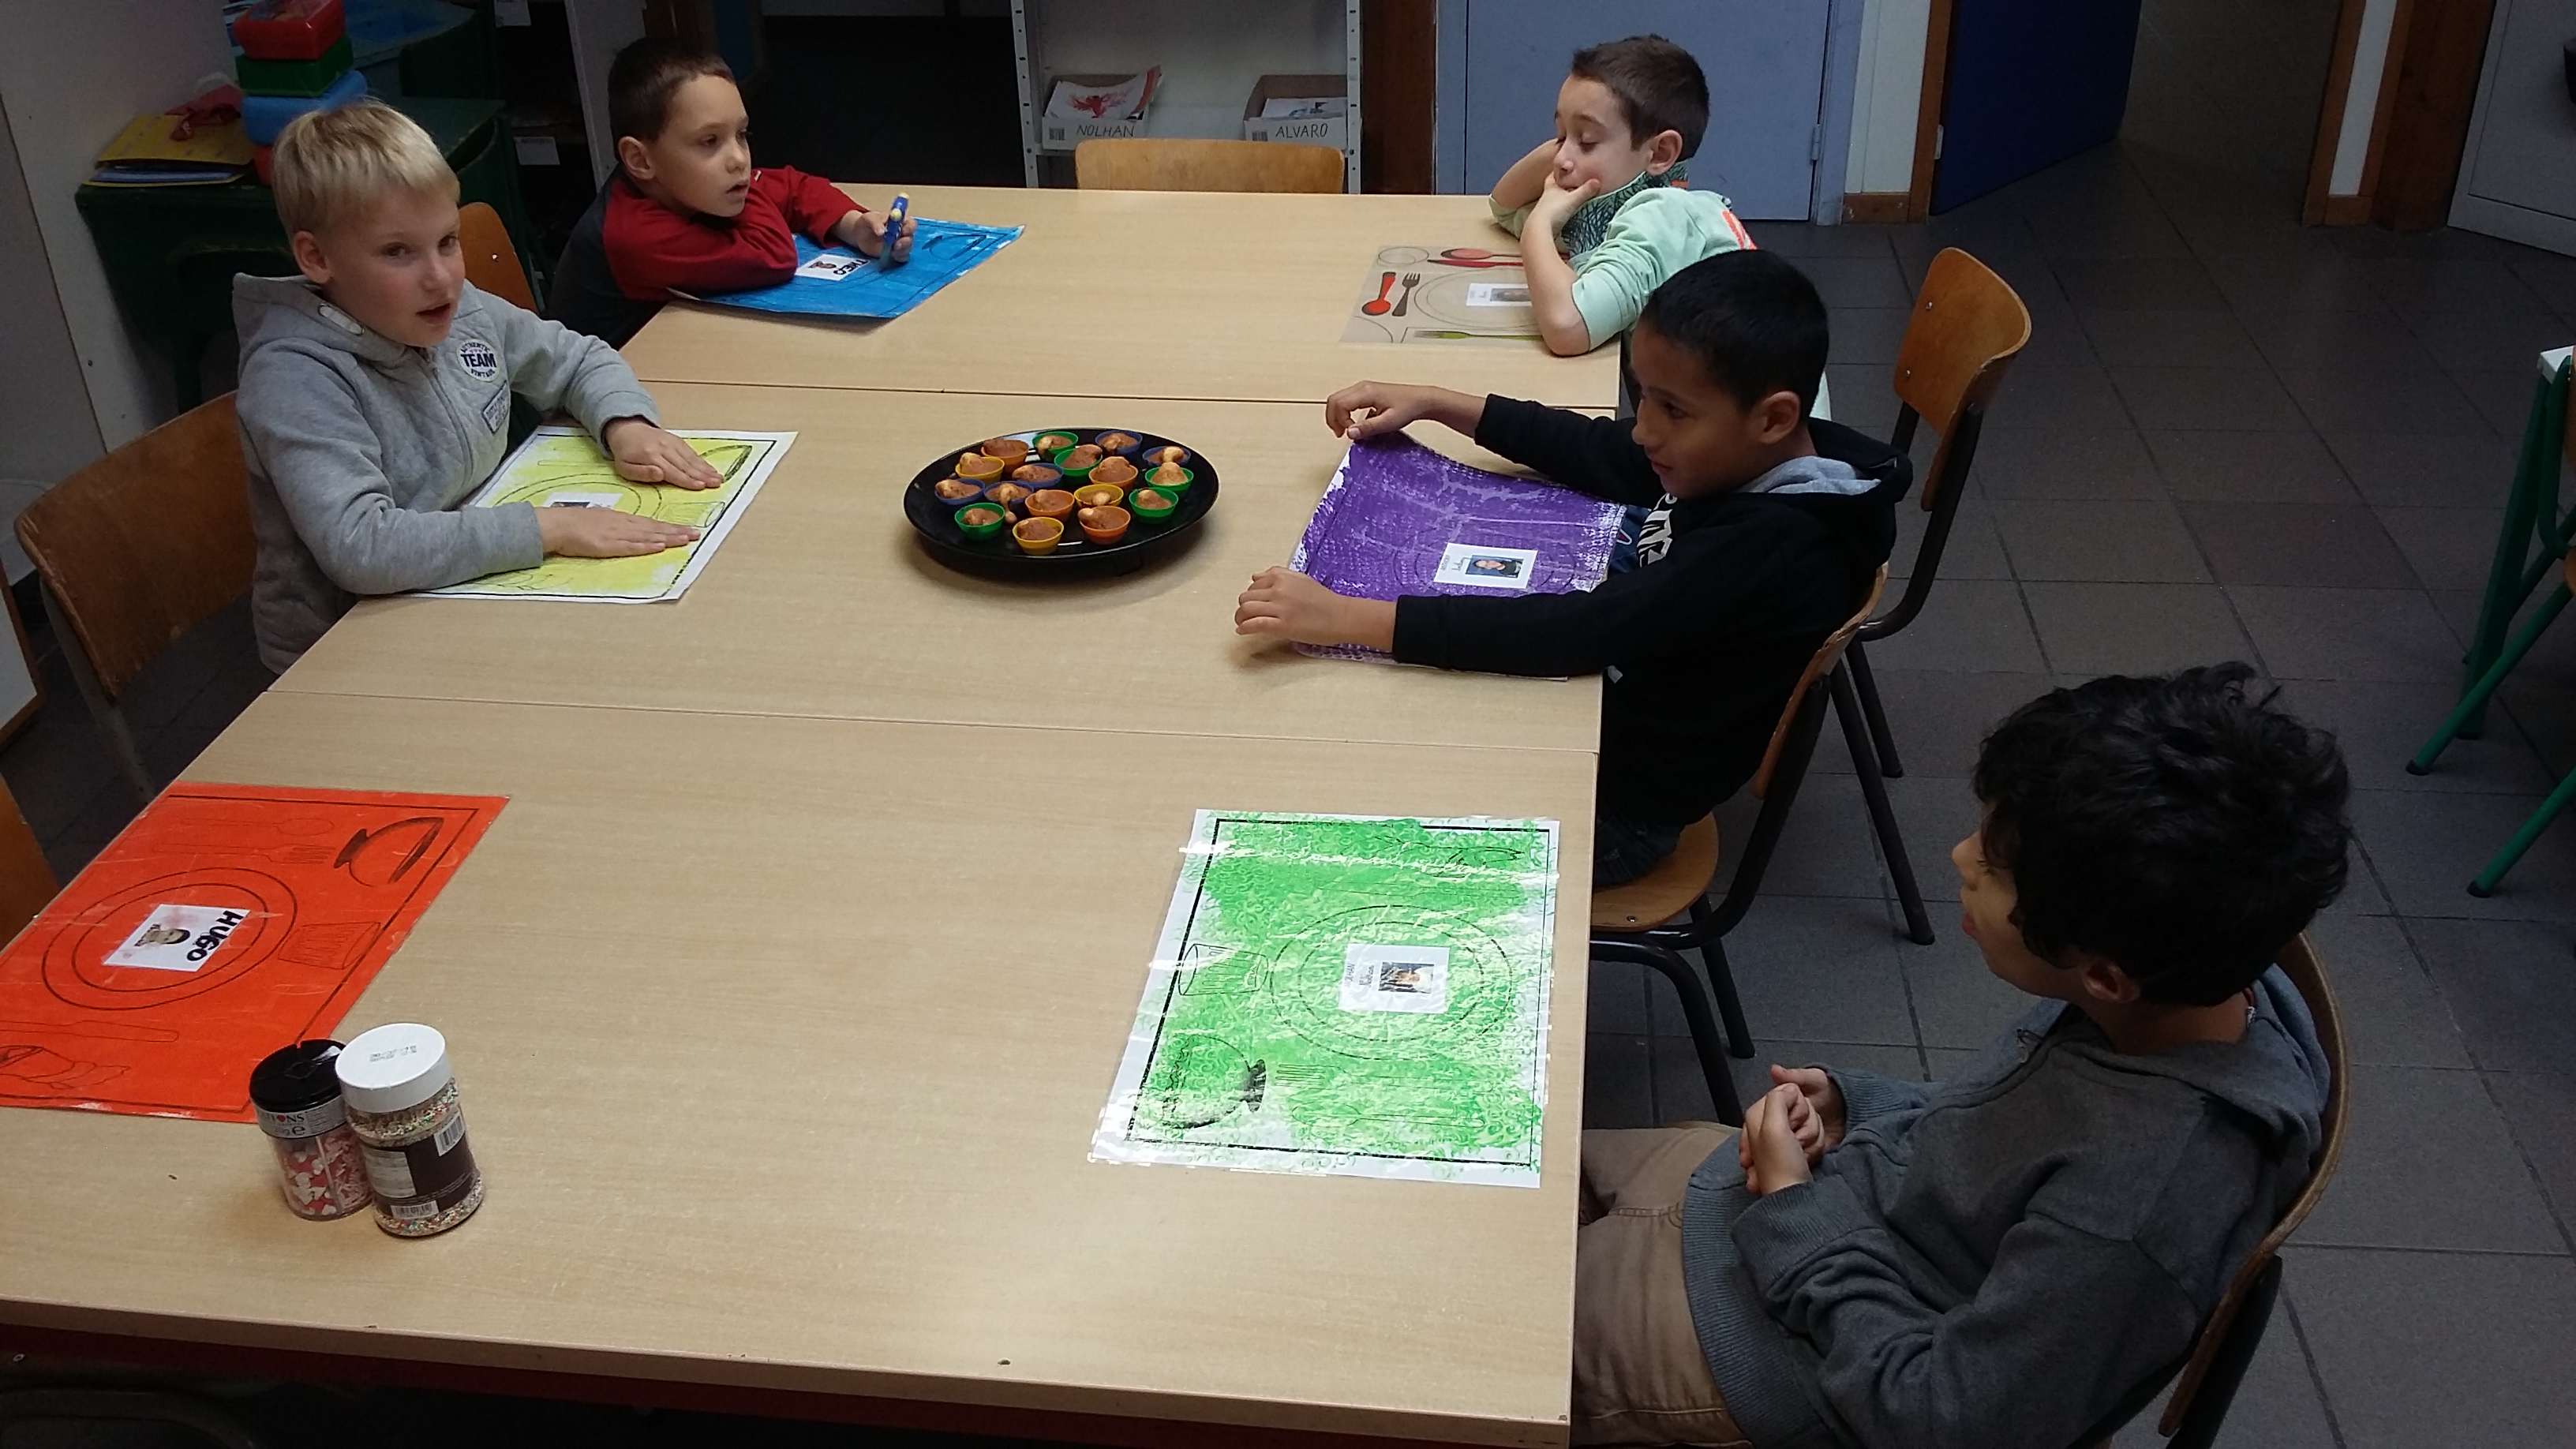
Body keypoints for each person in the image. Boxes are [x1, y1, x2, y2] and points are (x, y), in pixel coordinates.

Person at [1571, 665, 2348, 1448]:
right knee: (1506, 1172)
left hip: (1780, 1350)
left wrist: (1793, 1210)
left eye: (1996, 869)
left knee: (1494, 1331)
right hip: (1801, 1217)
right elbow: (2008, 1133)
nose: (1960, 856)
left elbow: (1940, 1420)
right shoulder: (2175, 990)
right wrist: (1858, 1107)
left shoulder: (2136, 1211)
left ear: (2106, 976)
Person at [1236, 250, 1907, 886]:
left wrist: (1345, 618)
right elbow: (1603, 449)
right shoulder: (1768, 452)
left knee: (1351, 798)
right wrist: (1438, 402)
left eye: (1673, 410)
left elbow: (1575, 631)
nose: (1645, 428)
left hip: (1617, 809)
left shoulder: (1769, 553)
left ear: (1774, 418)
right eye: (1644, 396)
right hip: (1616, 710)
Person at [234, 100, 718, 672]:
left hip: (472, 588)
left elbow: (577, 357)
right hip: (347, 650)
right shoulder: (294, 377)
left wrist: (624, 423)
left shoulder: (457, 308)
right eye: (397, 252)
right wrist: (549, 527)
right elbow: (361, 546)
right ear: (317, 257)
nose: (440, 277)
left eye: (447, 241)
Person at [547, 38, 915, 346]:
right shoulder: (632, 235)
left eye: (741, 134)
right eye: (710, 141)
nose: (739, 159)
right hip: (600, 399)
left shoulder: (680, 185)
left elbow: (793, 187)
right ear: (640, 160)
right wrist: (747, 189)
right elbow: (771, 254)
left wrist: (853, 225)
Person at [1488, 34, 1753, 358]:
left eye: (1587, 140)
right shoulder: (1607, 207)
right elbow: (1504, 206)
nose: (1560, 159)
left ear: (1660, 153)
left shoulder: (1662, 219)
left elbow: (1568, 328)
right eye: (1559, 137)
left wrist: (1539, 225)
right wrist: (1572, 143)